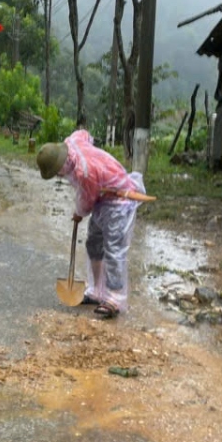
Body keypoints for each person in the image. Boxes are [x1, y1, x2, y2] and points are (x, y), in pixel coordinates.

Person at [36, 130, 145, 319]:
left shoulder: (83, 172)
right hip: (103, 198)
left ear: (61, 165)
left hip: (119, 199)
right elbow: (84, 133)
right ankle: (97, 290)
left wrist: (78, 214)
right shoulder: (71, 142)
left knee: (113, 249)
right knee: (94, 244)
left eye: (57, 173)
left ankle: (115, 298)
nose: (59, 176)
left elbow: (86, 201)